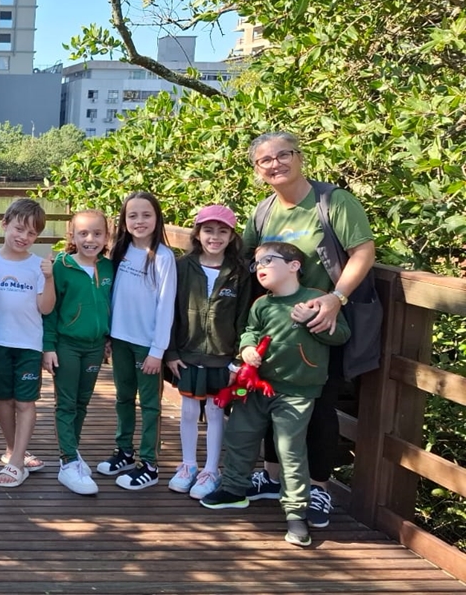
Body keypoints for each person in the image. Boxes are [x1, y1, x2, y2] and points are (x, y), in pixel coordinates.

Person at [241, 131, 377, 527]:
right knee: (271, 399)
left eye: (283, 155)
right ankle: (272, 477)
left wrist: (336, 297)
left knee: (319, 406)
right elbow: (246, 257)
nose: (276, 164)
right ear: (257, 170)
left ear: (300, 157)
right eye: (265, 160)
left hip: (322, 322)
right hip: (277, 327)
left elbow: (363, 251)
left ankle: (318, 487)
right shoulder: (263, 212)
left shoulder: (333, 201)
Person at [201, 241, 352, 548]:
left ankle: (296, 513)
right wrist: (247, 347)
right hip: (256, 386)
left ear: (294, 266)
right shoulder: (262, 304)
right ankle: (233, 489)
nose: (260, 267)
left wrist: (311, 320)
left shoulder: (316, 300)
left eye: (268, 260)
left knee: (290, 450)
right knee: (239, 434)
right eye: (257, 263)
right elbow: (251, 331)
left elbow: (341, 335)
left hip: (297, 392)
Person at [163, 205, 252, 500]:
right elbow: (170, 312)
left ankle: (211, 470)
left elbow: (244, 318)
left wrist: (237, 360)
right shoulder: (182, 267)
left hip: (222, 357)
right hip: (186, 353)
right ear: (198, 234)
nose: (215, 237)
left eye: (222, 231)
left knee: (215, 411)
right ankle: (188, 465)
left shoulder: (239, 273)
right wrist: (171, 351)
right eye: (208, 230)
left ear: (232, 236)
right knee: (188, 410)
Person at [98, 192, 177, 491]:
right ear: (124, 220)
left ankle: (149, 464)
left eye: (146, 215)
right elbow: (112, 296)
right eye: (132, 216)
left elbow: (166, 306)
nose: (139, 221)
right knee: (123, 398)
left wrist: (158, 350)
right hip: (121, 339)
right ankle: (124, 451)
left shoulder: (164, 257)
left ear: (157, 218)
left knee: (150, 404)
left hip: (147, 344)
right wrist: (108, 335)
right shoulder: (120, 251)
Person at [0, 199, 55, 488]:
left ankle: (16, 463)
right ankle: (13, 450)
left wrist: (49, 278)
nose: (24, 237)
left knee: (25, 401)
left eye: (32, 233)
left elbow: (45, 308)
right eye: (19, 228)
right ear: (4, 224)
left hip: (28, 344)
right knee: (5, 399)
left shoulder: (38, 266)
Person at [44, 210, 115, 496]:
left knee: (82, 402)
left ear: (106, 237)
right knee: (66, 403)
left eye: (97, 233)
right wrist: (48, 347)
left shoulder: (109, 268)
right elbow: (50, 311)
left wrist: (108, 337)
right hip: (67, 345)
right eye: (83, 233)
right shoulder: (61, 266)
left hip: (95, 347)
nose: (90, 239)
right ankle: (68, 462)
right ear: (71, 235)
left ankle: (72, 450)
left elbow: (111, 304)